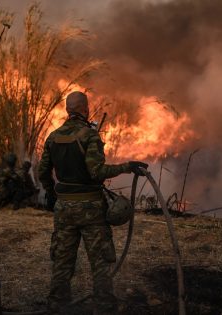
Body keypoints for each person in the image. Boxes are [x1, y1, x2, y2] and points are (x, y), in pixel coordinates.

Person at [38, 91, 148, 314]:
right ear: (85, 110)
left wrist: (51, 194)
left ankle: (57, 304)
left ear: (68, 110)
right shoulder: (89, 136)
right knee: (99, 262)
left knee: (62, 260)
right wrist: (127, 167)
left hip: (64, 210)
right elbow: (97, 172)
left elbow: (42, 172)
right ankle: (105, 305)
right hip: (91, 210)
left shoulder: (53, 137)